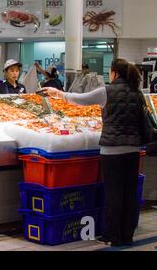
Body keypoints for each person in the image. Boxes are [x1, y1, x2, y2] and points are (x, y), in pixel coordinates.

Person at [43, 59, 145, 247]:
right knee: (129, 194)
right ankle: (127, 235)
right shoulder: (137, 93)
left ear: (114, 73)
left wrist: (58, 93)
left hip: (112, 151)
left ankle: (113, 236)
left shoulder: (106, 91)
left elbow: (80, 100)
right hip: (133, 150)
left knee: (113, 194)